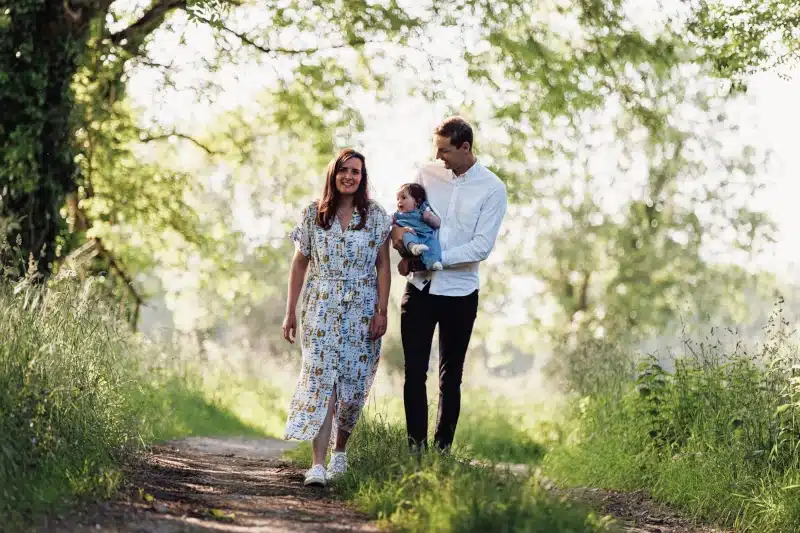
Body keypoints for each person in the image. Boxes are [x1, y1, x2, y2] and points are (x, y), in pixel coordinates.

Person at [392, 116, 508, 453]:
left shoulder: (492, 188)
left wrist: (436, 259)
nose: (438, 157)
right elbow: (405, 217)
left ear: (464, 147)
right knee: (414, 371)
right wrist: (402, 243)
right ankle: (415, 450)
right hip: (420, 289)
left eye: (444, 150)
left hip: (460, 293)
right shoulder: (426, 175)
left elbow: (481, 247)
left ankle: (442, 452)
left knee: (450, 376)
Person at [282, 148, 392, 487]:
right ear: (333, 174)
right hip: (321, 307)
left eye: (356, 171)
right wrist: (290, 312)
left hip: (362, 309)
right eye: (344, 170)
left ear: (362, 177)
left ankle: (339, 452)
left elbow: (383, 265)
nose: (349, 176)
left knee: (354, 384)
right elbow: (299, 264)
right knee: (321, 380)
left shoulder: (375, 215)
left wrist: (382, 311)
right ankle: (317, 464)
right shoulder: (314, 213)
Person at [392, 183, 443, 271]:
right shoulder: (398, 215)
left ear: (417, 201)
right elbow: (388, 222)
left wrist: (429, 218)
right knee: (407, 234)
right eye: (398, 199)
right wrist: (394, 227)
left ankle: (433, 263)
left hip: (426, 236)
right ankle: (414, 247)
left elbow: (438, 223)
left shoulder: (423, 210)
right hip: (411, 233)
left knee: (434, 245)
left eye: (403, 197)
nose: (399, 201)